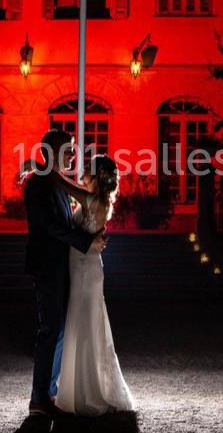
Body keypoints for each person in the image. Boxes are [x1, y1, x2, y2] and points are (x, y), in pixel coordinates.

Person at [20, 130, 106, 417]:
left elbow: (64, 221)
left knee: (59, 331)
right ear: (51, 151)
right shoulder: (38, 185)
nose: (73, 154)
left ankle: (50, 392)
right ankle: (38, 397)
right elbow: (49, 226)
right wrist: (86, 242)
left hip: (63, 266)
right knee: (50, 330)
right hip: (47, 266)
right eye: (68, 149)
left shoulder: (55, 183)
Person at [48, 153, 136, 417]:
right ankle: (82, 387)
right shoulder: (98, 200)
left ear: (96, 177)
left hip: (85, 270)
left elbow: (61, 183)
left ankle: (85, 391)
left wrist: (40, 165)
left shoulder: (91, 199)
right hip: (84, 267)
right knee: (84, 323)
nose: (82, 173)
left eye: (87, 170)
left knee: (83, 324)